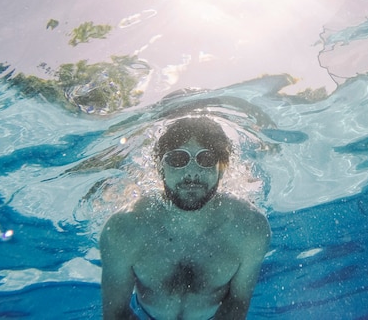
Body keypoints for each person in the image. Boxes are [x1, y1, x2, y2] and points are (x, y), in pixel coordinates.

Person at [100, 116, 271, 320]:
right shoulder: (124, 229)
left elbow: (237, 303)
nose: (191, 172)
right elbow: (116, 313)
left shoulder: (250, 229)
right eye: (178, 159)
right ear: (160, 167)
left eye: (206, 159)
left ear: (222, 168)